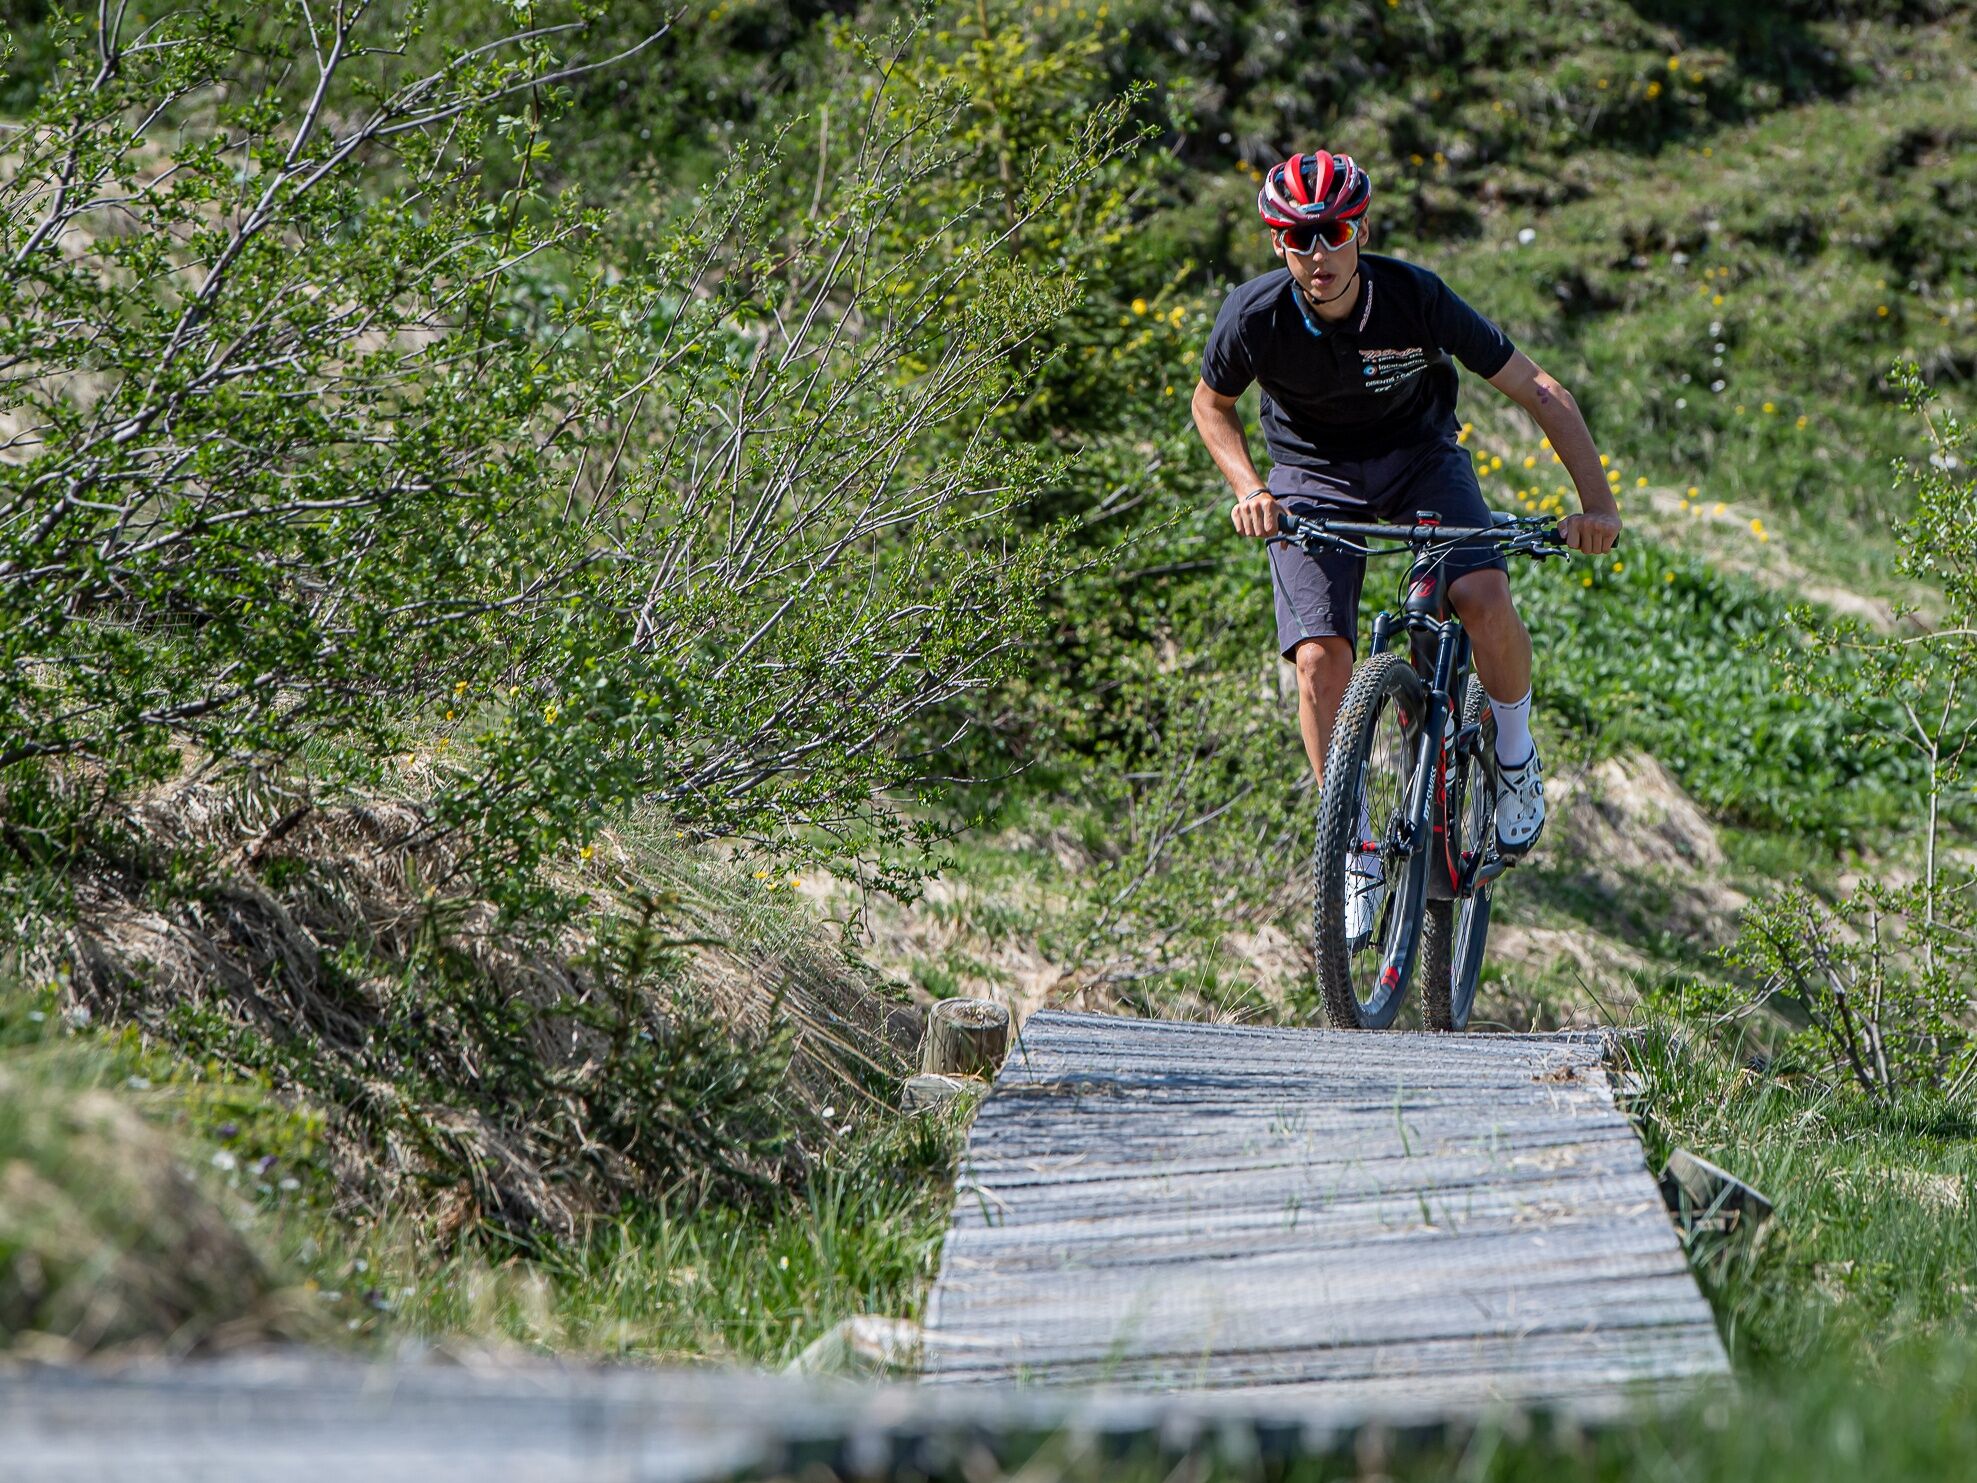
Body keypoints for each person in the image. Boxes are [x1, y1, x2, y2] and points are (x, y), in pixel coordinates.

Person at [1190, 150, 1621, 941]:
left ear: (1360, 230)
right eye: (1297, 237)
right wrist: (1249, 489)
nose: (1317, 253)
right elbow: (1209, 405)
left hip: (1421, 461)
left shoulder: (1414, 296)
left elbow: (1539, 390)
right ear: (1277, 243)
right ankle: (1351, 842)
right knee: (1318, 658)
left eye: (1333, 232)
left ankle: (1514, 756)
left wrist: (1596, 507)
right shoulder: (1253, 316)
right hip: (1310, 477)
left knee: (1481, 595)